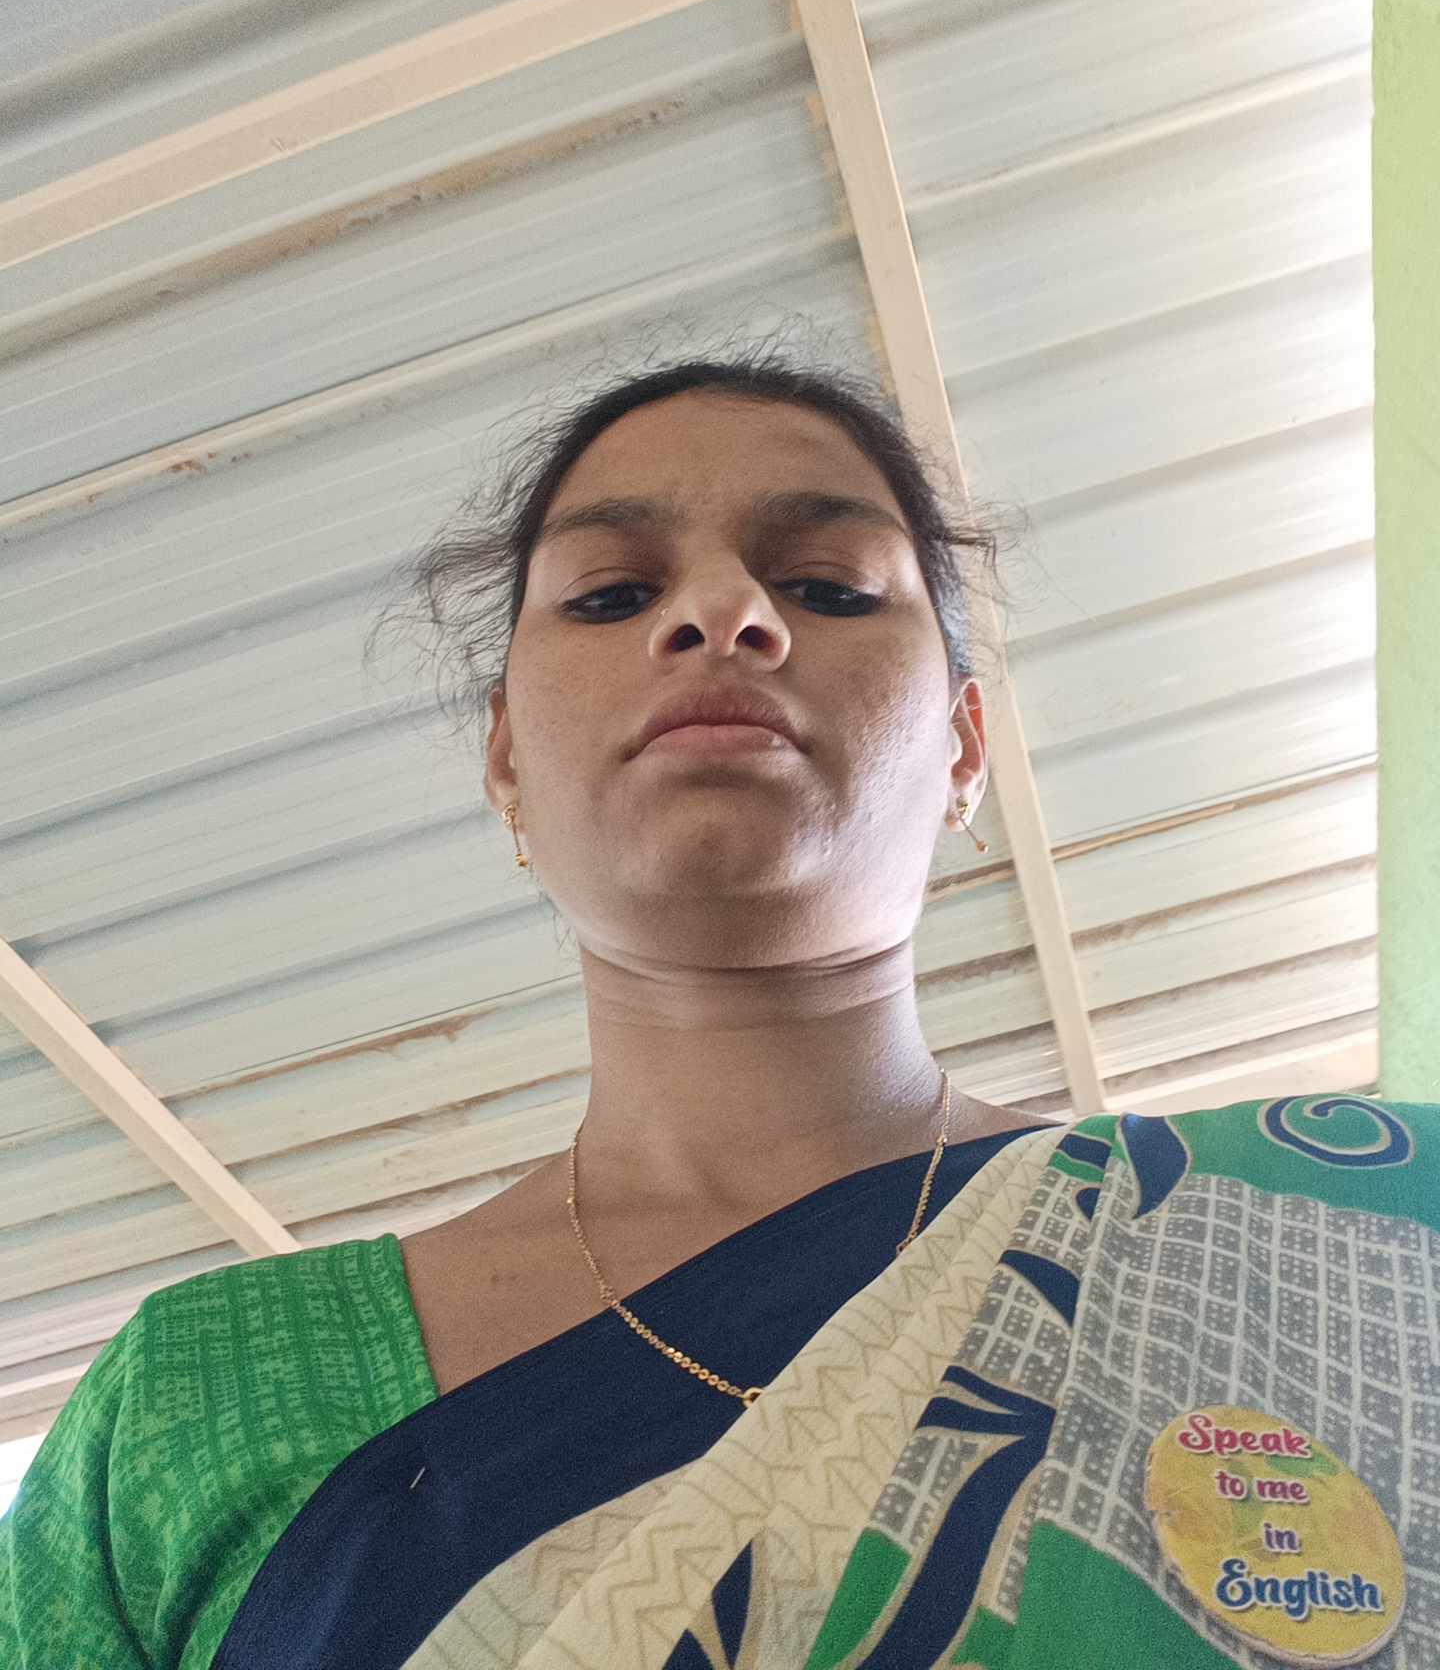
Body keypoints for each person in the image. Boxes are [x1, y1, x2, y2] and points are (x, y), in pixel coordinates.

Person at [1, 350, 1434, 1670]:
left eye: (828, 585)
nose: (720, 614)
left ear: (964, 747)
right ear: (505, 759)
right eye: (610, 596)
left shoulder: (1340, 1248)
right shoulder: (190, 1402)